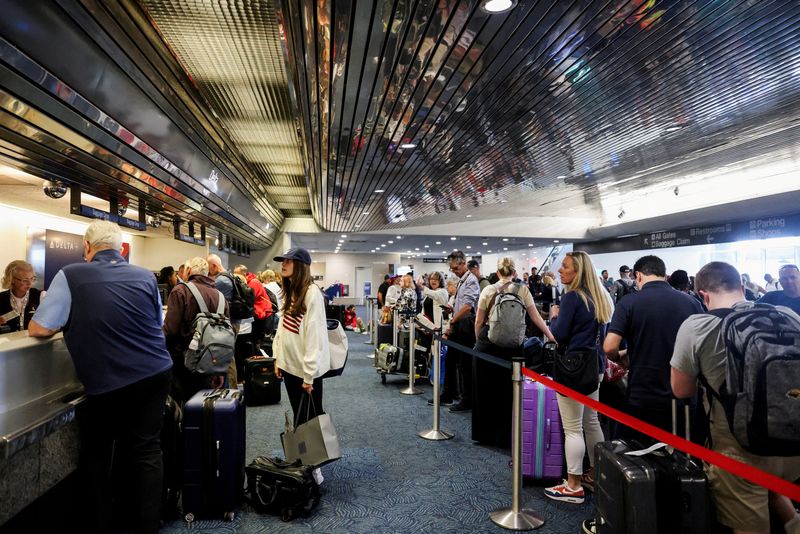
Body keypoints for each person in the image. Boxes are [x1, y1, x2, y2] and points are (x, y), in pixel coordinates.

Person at [28, 220, 172, 534]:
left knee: (97, 451)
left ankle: (101, 524)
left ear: (87, 249)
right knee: (147, 450)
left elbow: (39, 328)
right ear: (121, 249)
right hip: (156, 372)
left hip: (110, 381)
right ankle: (147, 525)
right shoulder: (145, 276)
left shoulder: (72, 275)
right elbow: (154, 322)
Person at [671, 261, 800, 534]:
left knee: (749, 524)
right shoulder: (785, 313)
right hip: (792, 442)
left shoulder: (698, 325)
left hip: (740, 451)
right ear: (742, 287)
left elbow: (681, 390)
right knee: (777, 490)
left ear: (703, 295)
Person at [603, 255, 704, 443]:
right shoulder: (692, 303)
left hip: (643, 394)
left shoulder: (629, 302)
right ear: (664, 275)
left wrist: (621, 357)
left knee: (636, 455)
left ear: (639, 276)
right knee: (680, 458)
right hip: (683, 396)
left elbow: (609, 347)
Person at [543, 251, 613, 505]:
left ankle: (573, 484)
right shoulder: (600, 297)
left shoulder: (572, 297)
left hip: (573, 367)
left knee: (572, 427)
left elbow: (558, 334)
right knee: (591, 422)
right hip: (594, 367)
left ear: (578, 271)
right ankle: (595, 473)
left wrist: (553, 316)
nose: (560, 270)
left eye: (565, 267)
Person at [472, 257, 556, 447]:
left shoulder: (488, 290)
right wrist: (550, 336)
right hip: (513, 348)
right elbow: (535, 317)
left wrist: (479, 340)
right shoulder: (523, 290)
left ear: (498, 272)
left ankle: (485, 435)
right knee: (509, 392)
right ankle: (507, 435)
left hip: (488, 344)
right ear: (514, 272)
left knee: (486, 390)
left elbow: (479, 321)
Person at [272, 247, 330, 484]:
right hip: (290, 367)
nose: (283, 264)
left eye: (288, 261)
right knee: (300, 416)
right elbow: (283, 330)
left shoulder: (311, 293)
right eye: (282, 260)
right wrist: (278, 358)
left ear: (301, 266)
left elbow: (314, 337)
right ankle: (305, 460)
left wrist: (309, 376)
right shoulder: (290, 292)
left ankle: (315, 466)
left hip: (306, 371)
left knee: (310, 417)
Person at [163, 257, 228, 403]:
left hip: (183, 362)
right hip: (211, 361)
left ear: (188, 271)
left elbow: (171, 330)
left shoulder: (180, 291)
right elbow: (225, 334)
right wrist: (218, 369)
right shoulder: (220, 297)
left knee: (185, 405)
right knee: (205, 406)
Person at [444, 250, 480, 412]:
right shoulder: (461, 280)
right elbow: (460, 304)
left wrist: (453, 319)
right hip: (458, 324)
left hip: (465, 327)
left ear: (463, 263)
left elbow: (468, 306)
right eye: (452, 269)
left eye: (455, 268)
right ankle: (448, 393)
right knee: (450, 360)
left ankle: (467, 399)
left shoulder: (471, 280)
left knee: (465, 365)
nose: (454, 271)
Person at [0, 260, 42, 331]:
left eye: (32, 278)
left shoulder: (41, 296)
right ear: (12, 279)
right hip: (9, 341)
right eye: (25, 280)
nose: (30, 283)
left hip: (34, 341)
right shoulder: (1, 298)